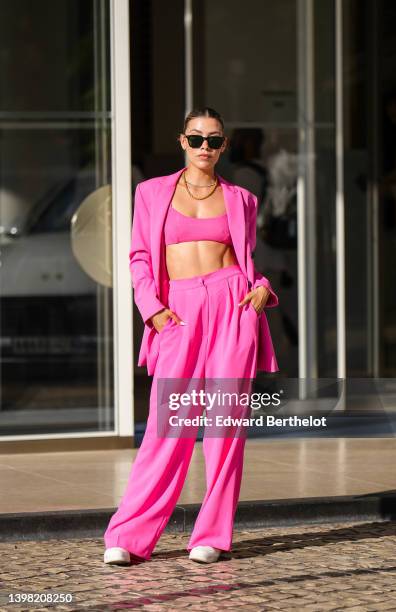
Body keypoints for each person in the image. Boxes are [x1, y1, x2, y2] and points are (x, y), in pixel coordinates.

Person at [103, 107, 279, 565]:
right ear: (182, 141)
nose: (206, 148)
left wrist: (261, 290)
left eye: (214, 140)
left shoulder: (242, 199)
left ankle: (213, 535)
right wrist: (153, 311)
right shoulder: (151, 192)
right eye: (197, 139)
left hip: (231, 308)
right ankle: (128, 535)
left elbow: (245, 262)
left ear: (224, 145)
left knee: (225, 428)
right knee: (167, 427)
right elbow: (140, 258)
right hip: (177, 313)